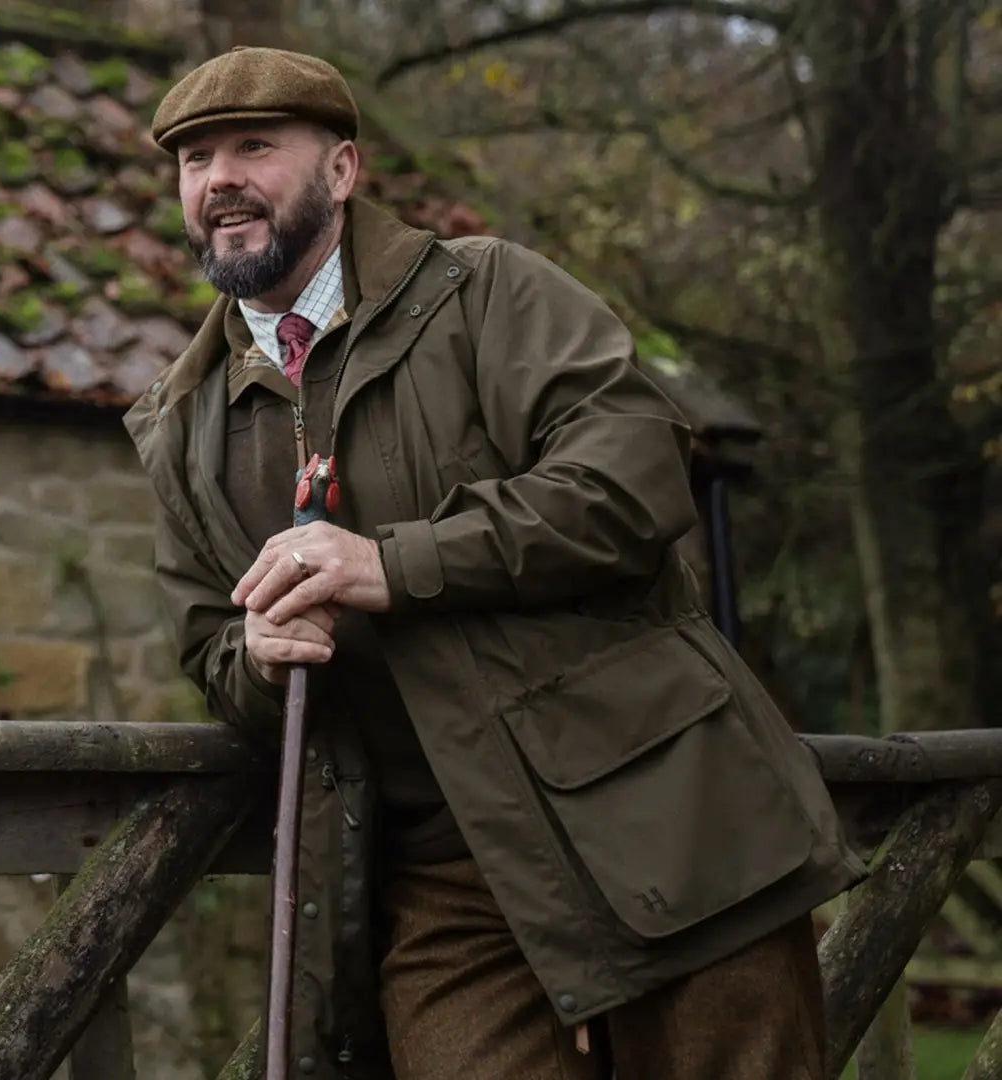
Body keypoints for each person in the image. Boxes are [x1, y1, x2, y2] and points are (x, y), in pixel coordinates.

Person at [126, 46, 865, 1080]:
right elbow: (210, 652)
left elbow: (636, 478)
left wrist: (397, 564)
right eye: (196, 159)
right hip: (437, 878)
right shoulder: (183, 425)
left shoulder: (487, 292)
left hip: (664, 818)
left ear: (340, 171)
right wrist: (257, 654)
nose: (221, 180)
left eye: (256, 147)